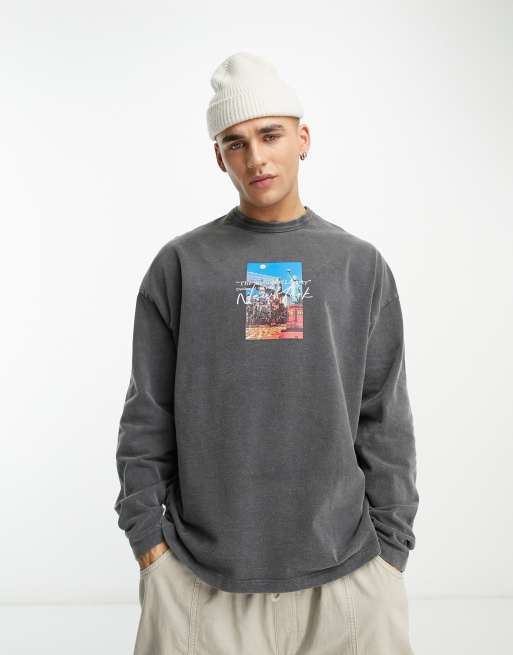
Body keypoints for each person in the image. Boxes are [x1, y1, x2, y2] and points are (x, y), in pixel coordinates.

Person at [114, 51, 419, 655]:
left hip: (349, 576)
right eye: (236, 142)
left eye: (270, 134)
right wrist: (149, 544)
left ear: (303, 139)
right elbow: (147, 414)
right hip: (199, 581)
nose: (255, 157)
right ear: (219, 157)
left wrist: (391, 549)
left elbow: (384, 416)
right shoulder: (181, 266)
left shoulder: (359, 265)